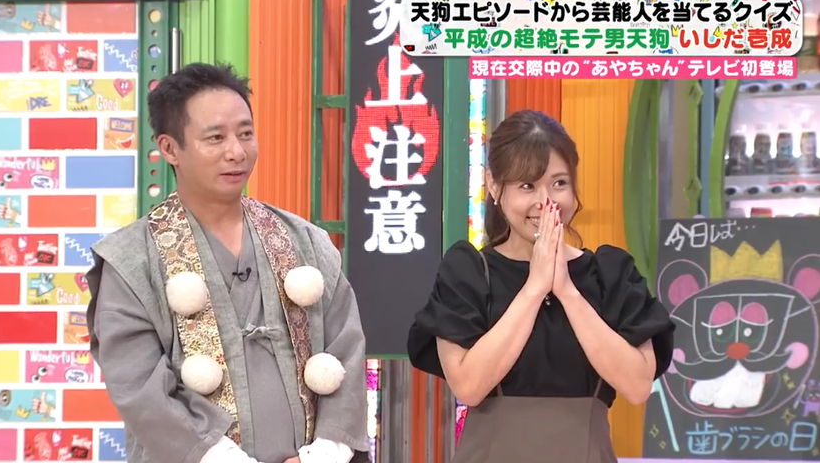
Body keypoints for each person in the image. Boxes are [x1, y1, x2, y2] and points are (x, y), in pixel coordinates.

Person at [86, 63, 369, 463]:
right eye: (215, 137)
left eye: (245, 134)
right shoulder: (133, 260)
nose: (236, 151)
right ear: (169, 149)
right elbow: (139, 386)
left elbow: (346, 350)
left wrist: (323, 454)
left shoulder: (304, 241)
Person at [407, 110, 675, 463]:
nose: (545, 201)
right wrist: (534, 287)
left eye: (559, 183)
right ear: (494, 186)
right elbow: (469, 386)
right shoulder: (468, 272)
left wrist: (567, 291)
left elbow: (638, 385)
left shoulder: (609, 273)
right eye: (527, 186)